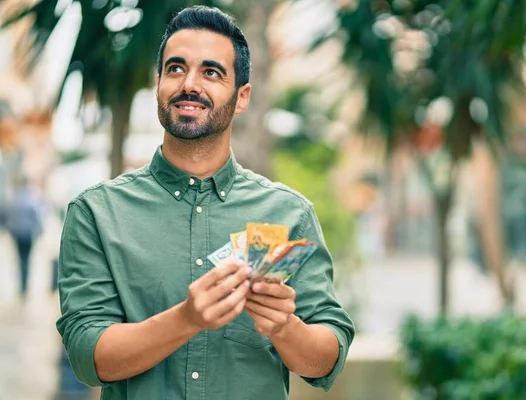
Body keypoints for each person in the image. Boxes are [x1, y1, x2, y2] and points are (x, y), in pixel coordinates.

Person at [56, 6, 355, 400]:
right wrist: (187, 319)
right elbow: (86, 358)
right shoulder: (96, 213)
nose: (190, 84)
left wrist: (285, 327)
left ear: (242, 96)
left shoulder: (288, 215)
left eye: (212, 72)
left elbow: (326, 362)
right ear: (158, 82)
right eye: (176, 69)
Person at [2, 176, 45, 299]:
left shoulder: (13, 199)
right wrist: (40, 231)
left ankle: (21, 286)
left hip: (16, 234)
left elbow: (7, 216)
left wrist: (9, 229)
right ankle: (25, 286)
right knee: (27, 259)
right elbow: (36, 216)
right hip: (28, 234)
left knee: (20, 258)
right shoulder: (32, 199)